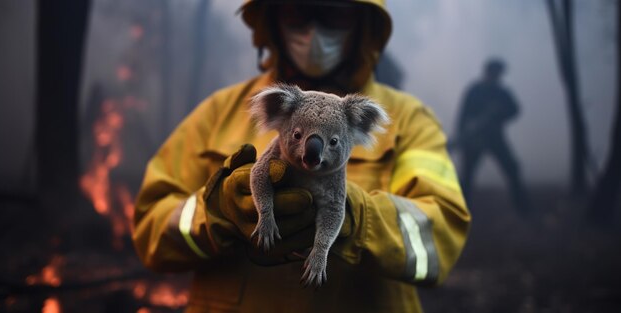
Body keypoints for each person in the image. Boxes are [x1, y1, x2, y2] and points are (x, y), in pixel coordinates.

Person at [133, 1, 470, 312]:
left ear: (363, 25)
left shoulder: (406, 120)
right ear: (272, 19)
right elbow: (150, 228)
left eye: (334, 14)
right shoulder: (218, 113)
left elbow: (441, 238)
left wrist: (359, 221)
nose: (314, 33)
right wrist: (216, 214)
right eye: (297, 12)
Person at [453, 58, 529, 214]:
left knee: (512, 168)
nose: (495, 76)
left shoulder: (502, 93)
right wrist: (462, 136)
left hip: (495, 138)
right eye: (494, 72)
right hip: (474, 140)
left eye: (498, 73)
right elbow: (463, 115)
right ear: (487, 72)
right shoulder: (474, 90)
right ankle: (459, 211)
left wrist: (499, 114)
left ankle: (523, 208)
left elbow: (515, 110)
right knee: (467, 177)